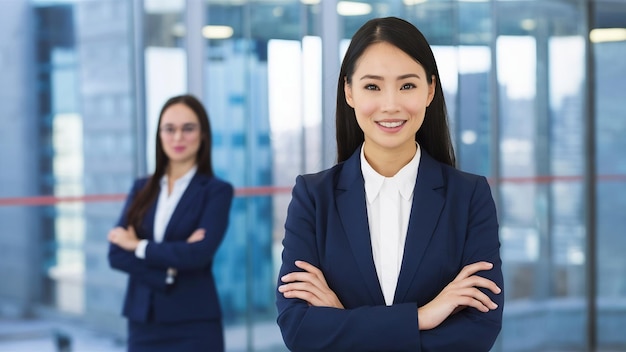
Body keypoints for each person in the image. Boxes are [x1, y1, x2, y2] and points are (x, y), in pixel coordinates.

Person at [276, 17, 503, 351]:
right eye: (372, 86)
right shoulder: (314, 197)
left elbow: (479, 329)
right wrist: (421, 318)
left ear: (430, 90)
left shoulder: (468, 197)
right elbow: (298, 329)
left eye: (407, 85)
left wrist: (343, 322)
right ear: (349, 91)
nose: (391, 104)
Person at [108, 94, 234, 352]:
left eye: (188, 128)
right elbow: (116, 254)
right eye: (170, 129)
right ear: (159, 134)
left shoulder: (216, 191)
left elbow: (198, 254)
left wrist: (138, 246)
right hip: (143, 321)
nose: (178, 137)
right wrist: (167, 271)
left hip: (194, 323)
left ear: (203, 135)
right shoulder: (141, 188)